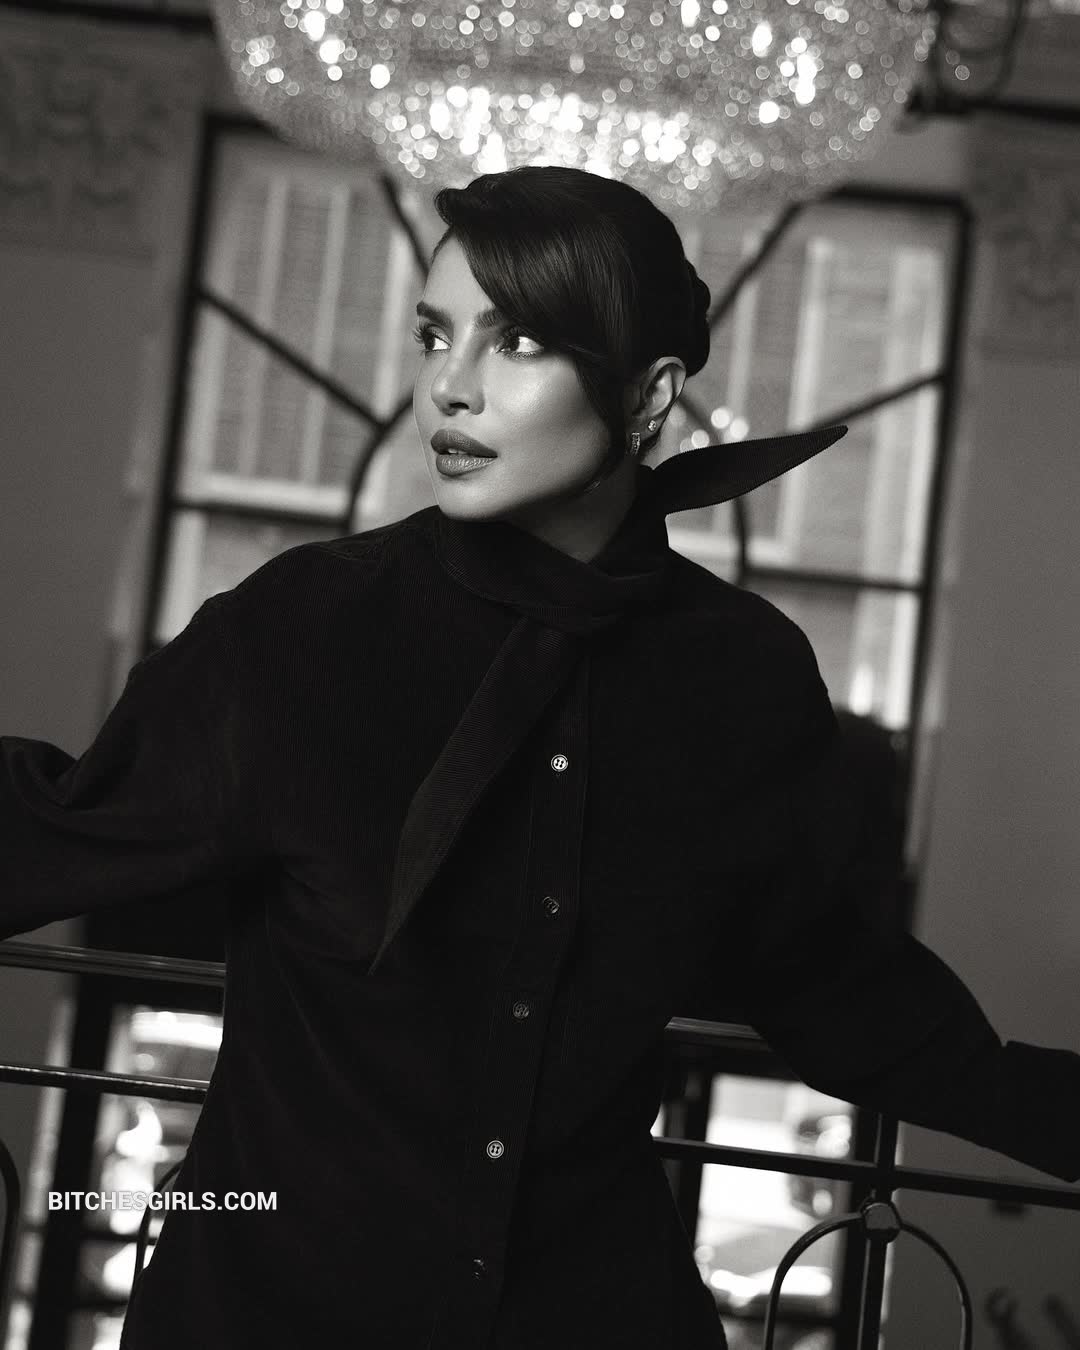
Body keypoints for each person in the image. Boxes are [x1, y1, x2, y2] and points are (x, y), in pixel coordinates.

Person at [1, 165, 1076, 1350]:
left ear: (649, 395)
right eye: (434, 334)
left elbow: (834, 983)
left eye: (515, 341)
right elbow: (57, 828)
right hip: (270, 1312)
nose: (447, 388)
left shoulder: (742, 678)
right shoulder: (299, 633)